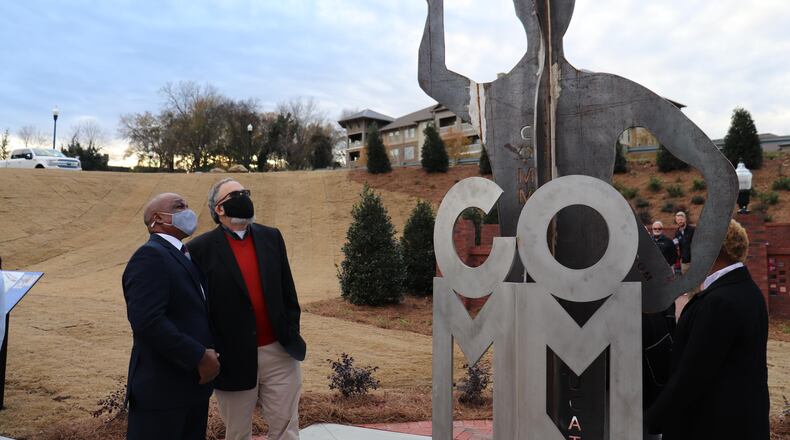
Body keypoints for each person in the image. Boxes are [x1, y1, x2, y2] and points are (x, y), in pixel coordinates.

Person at [188, 179, 305, 440]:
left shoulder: (271, 237)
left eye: (245, 192)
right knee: (237, 433)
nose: (243, 197)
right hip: (232, 359)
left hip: (279, 353)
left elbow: (288, 292)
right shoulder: (199, 249)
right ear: (219, 209)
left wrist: (290, 330)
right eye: (235, 194)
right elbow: (197, 307)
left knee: (287, 430)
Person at [646, 219, 769, 439]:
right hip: (742, 420)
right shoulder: (748, 291)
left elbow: (693, 373)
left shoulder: (719, 302)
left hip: (716, 424)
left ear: (714, 247)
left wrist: (652, 420)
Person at [122, 193, 220, 440]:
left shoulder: (182, 254)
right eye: (179, 207)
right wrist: (198, 355)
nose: (188, 211)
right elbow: (147, 322)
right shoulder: (150, 257)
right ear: (157, 219)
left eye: (187, 205)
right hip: (162, 393)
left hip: (190, 389)